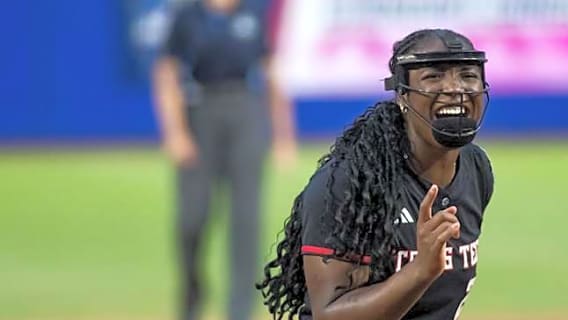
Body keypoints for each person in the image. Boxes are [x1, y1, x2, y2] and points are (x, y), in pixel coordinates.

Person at [257, 29, 494, 320]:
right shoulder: (350, 182)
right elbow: (329, 314)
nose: (454, 87)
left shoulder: (476, 168)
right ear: (402, 96)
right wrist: (419, 271)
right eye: (433, 77)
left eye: (468, 75)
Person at [151, 0, 296, 319]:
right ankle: (192, 297)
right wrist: (174, 131)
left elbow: (271, 73)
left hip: (245, 111)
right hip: (201, 112)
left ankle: (239, 309)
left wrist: (283, 134)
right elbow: (166, 73)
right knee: (192, 216)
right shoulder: (187, 15)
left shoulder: (252, 13)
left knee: (246, 218)